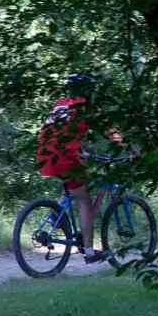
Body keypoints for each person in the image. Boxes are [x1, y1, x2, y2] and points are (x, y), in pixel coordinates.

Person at [36, 73, 135, 263]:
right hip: (64, 155)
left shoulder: (61, 104)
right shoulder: (86, 106)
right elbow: (112, 133)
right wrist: (133, 149)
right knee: (85, 200)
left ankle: (55, 213)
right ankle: (89, 252)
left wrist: (81, 151)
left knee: (75, 184)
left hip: (45, 152)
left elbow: (61, 132)